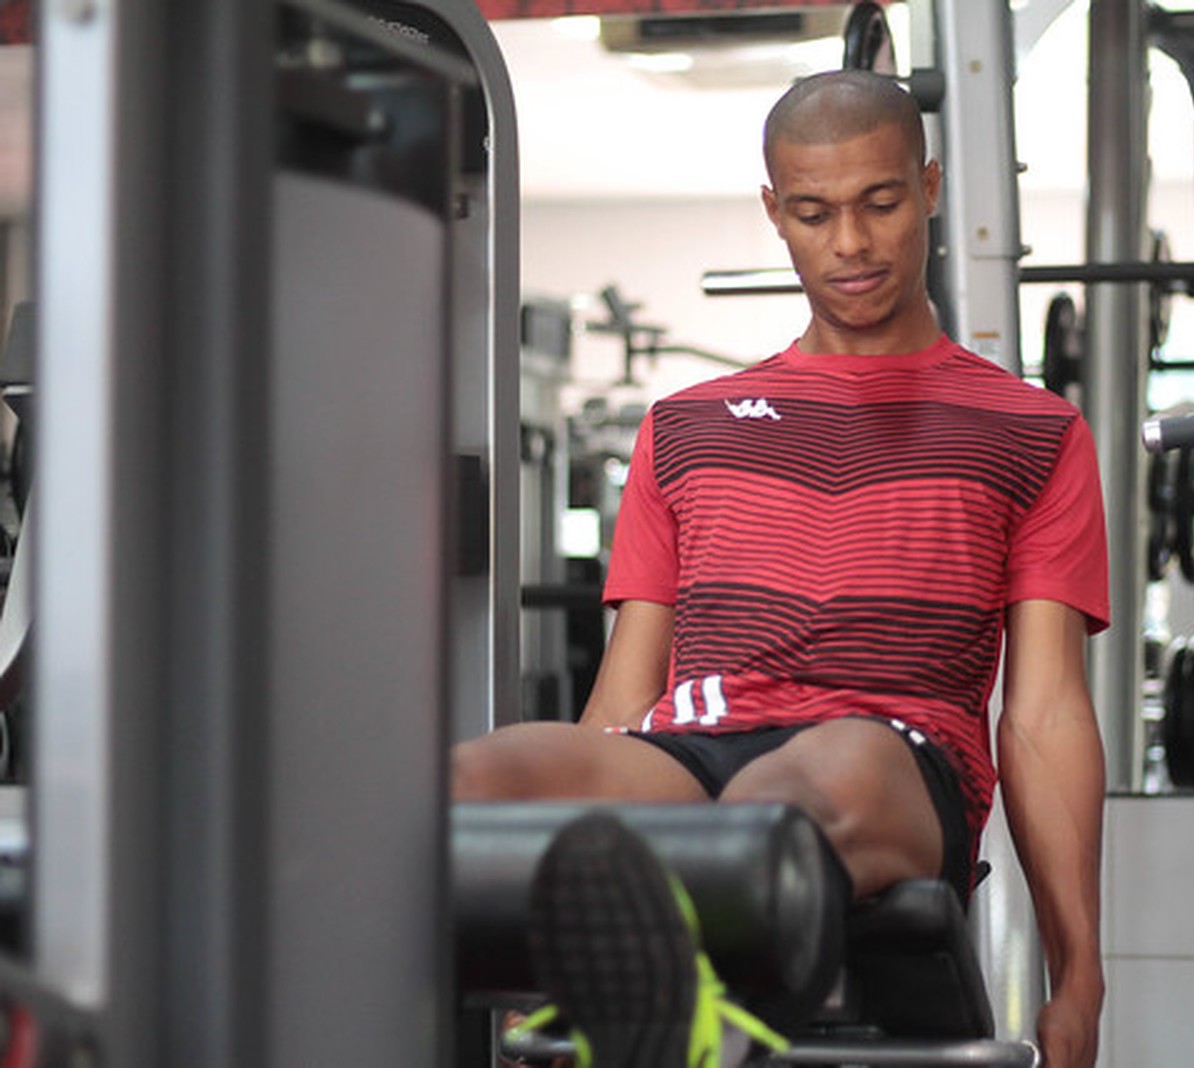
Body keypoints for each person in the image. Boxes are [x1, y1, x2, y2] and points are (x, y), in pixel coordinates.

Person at [453, 69, 1110, 1068]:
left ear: (929, 189)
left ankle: (672, 1018)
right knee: (472, 783)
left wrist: (1078, 977)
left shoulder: (1032, 431)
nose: (848, 244)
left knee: (802, 784)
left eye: (879, 204)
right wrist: (567, 814)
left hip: (887, 756)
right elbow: (628, 700)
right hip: (695, 749)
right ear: (775, 212)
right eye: (813, 213)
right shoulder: (687, 427)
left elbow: (1044, 713)